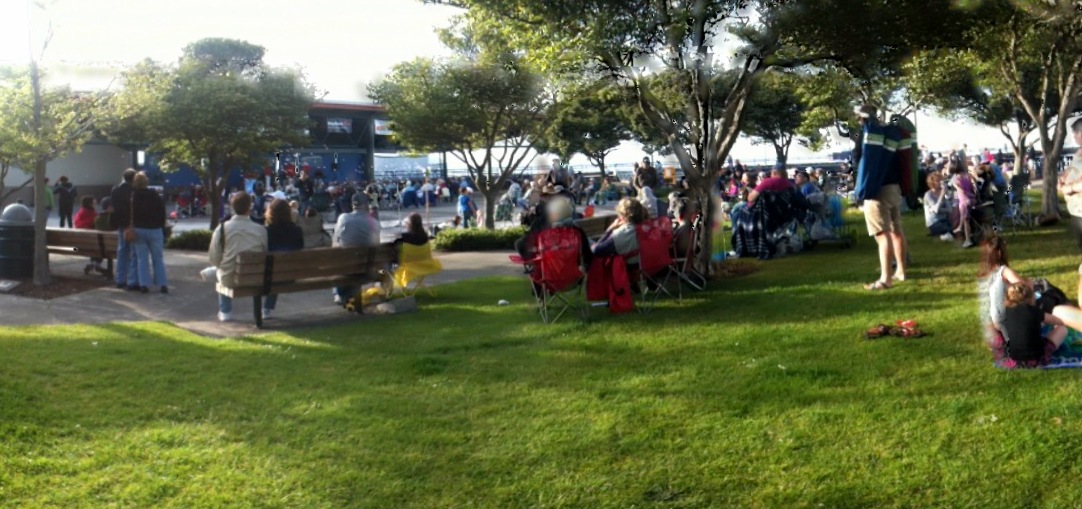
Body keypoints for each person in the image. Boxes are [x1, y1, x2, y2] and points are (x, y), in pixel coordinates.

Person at [854, 105, 909, 290]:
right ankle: (900, 271)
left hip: (876, 189)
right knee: (896, 231)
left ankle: (886, 278)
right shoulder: (890, 133)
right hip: (894, 187)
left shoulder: (867, 134)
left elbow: (858, 160)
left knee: (881, 234)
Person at [209, 192, 269, 322]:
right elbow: (265, 252)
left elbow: (214, 258)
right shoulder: (261, 230)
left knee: (219, 270)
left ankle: (225, 312)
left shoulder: (222, 229)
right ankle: (263, 310)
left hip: (230, 278)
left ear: (232, 207)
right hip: (255, 277)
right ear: (250, 207)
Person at [1000, 282, 1068, 368]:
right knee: (1062, 329)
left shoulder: (1006, 312)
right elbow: (1059, 321)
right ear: (1031, 298)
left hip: (1013, 360)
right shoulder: (1034, 311)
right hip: (1037, 360)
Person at [332, 193, 381, 305]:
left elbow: (336, 239)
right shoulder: (374, 223)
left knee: (340, 262)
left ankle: (339, 295)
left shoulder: (343, 218)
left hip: (347, 266)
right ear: (366, 205)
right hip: (368, 266)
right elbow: (376, 242)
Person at [261, 198, 305, 319]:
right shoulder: (296, 231)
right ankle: (267, 308)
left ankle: (266, 310)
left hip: (269, 276)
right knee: (279, 271)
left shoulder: (266, 232)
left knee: (273, 271)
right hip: (291, 274)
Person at [130, 172, 169, 294]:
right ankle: (162, 284)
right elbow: (162, 213)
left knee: (142, 259)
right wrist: (162, 226)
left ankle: (144, 284)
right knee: (158, 258)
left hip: (139, 229)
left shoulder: (134, 197)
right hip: (155, 229)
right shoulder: (155, 195)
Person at [1059, 117, 1082, 303]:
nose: (1073, 136)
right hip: (1076, 211)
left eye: (1075, 133)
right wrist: (1063, 177)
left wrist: (1071, 188)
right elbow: (1071, 171)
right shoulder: (1078, 153)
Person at [109, 169, 138, 290]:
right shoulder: (135, 191)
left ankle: (120, 279)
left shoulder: (116, 191)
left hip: (122, 225)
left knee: (122, 252)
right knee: (134, 253)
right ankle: (133, 280)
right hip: (133, 224)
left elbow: (116, 209)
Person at [594, 198, 647, 262]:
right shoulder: (649, 228)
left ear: (621, 216)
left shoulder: (619, 235)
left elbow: (595, 251)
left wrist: (610, 230)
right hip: (645, 266)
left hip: (626, 270)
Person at [73, 195, 106, 275]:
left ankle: (94, 263)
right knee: (101, 245)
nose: (96, 205)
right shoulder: (93, 215)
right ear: (90, 204)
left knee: (94, 243)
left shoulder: (80, 213)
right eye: (94, 203)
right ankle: (96, 263)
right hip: (93, 246)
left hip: (77, 247)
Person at [950, 158, 977, 249]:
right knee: (966, 218)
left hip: (964, 201)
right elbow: (974, 186)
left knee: (966, 221)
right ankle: (959, 227)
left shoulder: (956, 180)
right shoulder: (968, 176)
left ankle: (968, 240)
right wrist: (973, 196)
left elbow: (962, 192)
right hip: (972, 200)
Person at [924, 173, 953, 241]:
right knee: (950, 231)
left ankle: (944, 234)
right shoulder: (928, 195)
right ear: (932, 183)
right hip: (934, 222)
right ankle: (943, 235)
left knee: (956, 229)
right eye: (938, 181)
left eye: (941, 180)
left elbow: (950, 210)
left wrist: (944, 194)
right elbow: (936, 210)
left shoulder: (942, 192)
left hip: (944, 220)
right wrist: (942, 195)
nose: (940, 183)